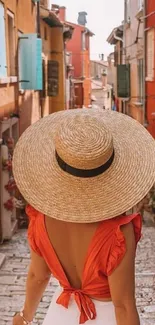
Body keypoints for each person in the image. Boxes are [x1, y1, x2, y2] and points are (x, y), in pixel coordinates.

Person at [12, 108, 155, 325]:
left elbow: (38, 276)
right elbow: (123, 305)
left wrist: (24, 317)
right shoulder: (118, 233)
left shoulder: (40, 219)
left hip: (59, 316)